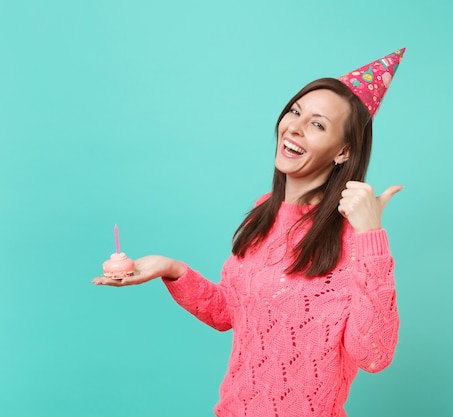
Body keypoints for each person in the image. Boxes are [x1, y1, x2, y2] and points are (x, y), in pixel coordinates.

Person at [93, 48, 406, 417]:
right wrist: (172, 269)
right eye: (295, 111)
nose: (294, 127)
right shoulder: (264, 211)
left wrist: (370, 236)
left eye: (318, 124)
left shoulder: (352, 237)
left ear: (343, 151)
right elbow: (228, 311)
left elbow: (374, 354)